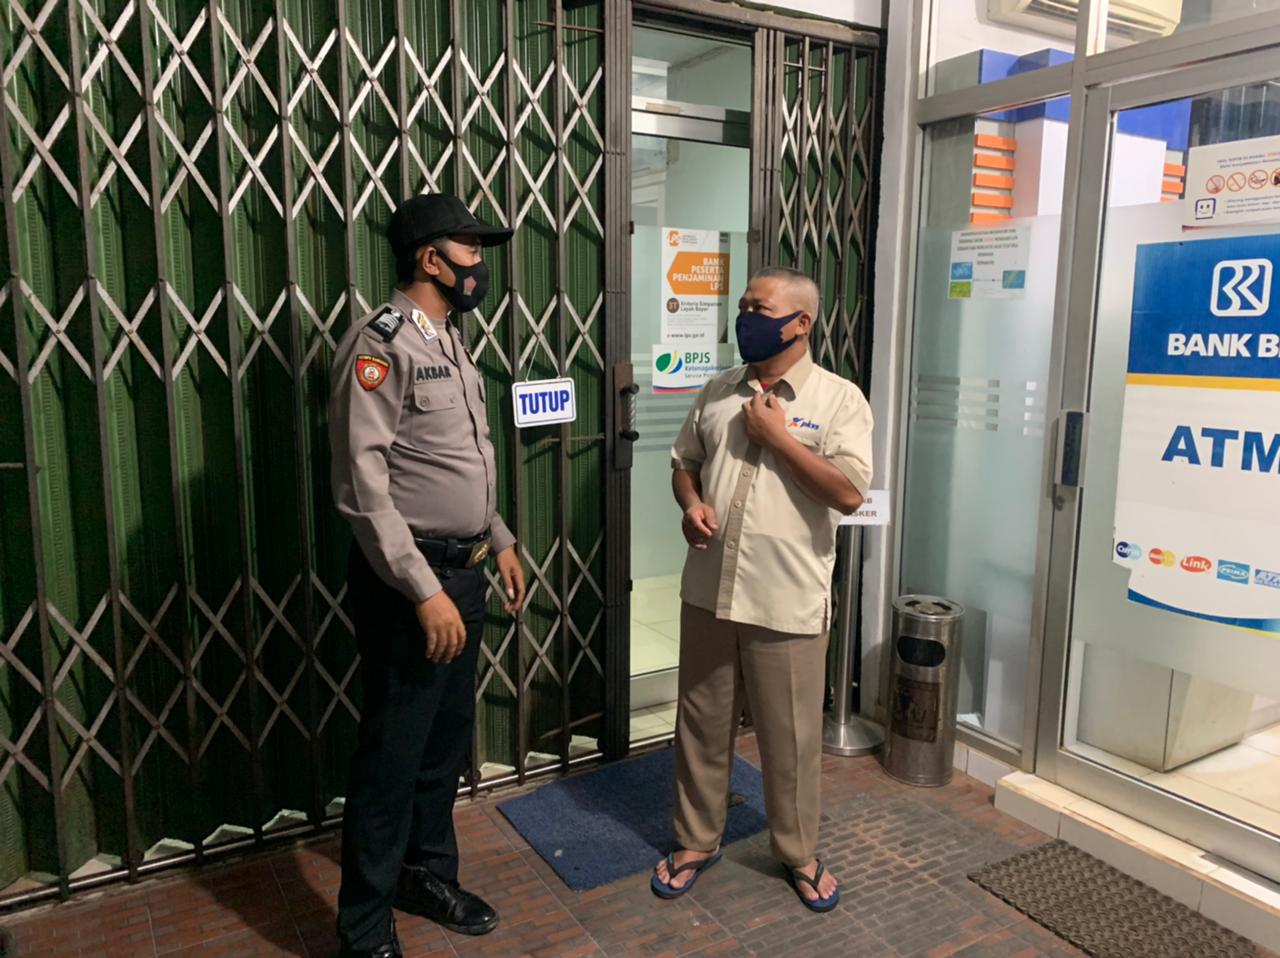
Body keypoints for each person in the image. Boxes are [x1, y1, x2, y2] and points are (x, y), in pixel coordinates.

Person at [329, 193, 526, 957]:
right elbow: (363, 485)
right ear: (430, 259)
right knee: (393, 755)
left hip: (464, 574)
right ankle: (363, 928)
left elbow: (455, 462)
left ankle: (425, 875)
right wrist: (422, 589)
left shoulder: (450, 339)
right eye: (470, 249)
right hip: (409, 586)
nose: (480, 264)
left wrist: (498, 538)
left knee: (443, 746)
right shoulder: (380, 344)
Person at [651, 266, 873, 913]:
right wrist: (690, 504)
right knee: (701, 724)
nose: (745, 315)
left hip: (787, 597)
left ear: (801, 323)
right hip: (710, 589)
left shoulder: (839, 400)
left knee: (790, 738)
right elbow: (684, 464)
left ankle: (797, 852)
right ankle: (696, 840)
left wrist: (779, 440)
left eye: (760, 307)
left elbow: (848, 494)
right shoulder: (718, 390)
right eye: (744, 304)